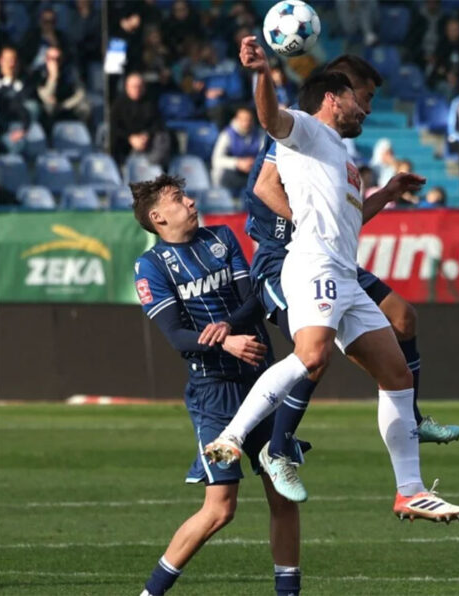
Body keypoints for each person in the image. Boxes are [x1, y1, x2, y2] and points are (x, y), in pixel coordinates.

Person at [205, 37, 459, 524]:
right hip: (313, 267)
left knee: (397, 376)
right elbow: (270, 119)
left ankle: (410, 492)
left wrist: (387, 192)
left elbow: (349, 222)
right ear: (332, 99)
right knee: (311, 357)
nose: (364, 110)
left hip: (344, 275)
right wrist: (262, 73)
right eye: (358, 100)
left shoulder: (344, 161)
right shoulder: (306, 130)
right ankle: (233, 437)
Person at [131, 174, 303, 596]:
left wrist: (228, 327)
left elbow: (254, 300)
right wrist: (225, 342)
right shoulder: (151, 266)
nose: (191, 202)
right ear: (158, 217)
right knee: (220, 508)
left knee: (282, 496)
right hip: (215, 395)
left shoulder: (222, 238)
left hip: (262, 386)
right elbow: (177, 336)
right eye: (178, 199)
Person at [111, 72, 170, 165]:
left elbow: (156, 123)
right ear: (127, 87)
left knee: (163, 136)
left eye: (139, 86)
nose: (137, 89)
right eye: (134, 86)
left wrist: (146, 135)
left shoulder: (150, 102)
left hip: (146, 140)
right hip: (126, 142)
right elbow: (115, 127)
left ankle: (151, 165)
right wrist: (130, 138)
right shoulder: (118, 105)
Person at [32, 45, 90, 133]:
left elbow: (80, 93)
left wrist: (63, 106)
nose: (54, 62)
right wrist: (53, 77)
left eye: (57, 59)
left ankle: (80, 133)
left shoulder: (70, 72)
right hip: (48, 107)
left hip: (66, 104)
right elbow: (44, 96)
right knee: (48, 107)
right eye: (51, 59)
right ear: (45, 59)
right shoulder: (39, 73)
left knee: (84, 106)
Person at [211, 107, 262, 192]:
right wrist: (237, 163)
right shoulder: (227, 134)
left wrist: (253, 162)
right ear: (236, 119)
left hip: (252, 172)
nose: (246, 123)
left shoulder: (260, 134)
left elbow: (264, 156)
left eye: (249, 120)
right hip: (230, 175)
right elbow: (216, 160)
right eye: (243, 120)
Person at [0, 46, 33, 154]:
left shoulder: (24, 82)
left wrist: (24, 129)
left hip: (15, 123)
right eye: (6, 60)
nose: (10, 64)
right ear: (0, 61)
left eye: (13, 60)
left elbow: (22, 107)